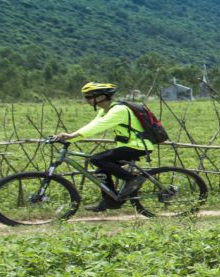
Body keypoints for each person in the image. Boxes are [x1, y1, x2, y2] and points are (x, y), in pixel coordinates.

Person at [51, 82, 153, 212]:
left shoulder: (119, 110)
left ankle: (132, 179)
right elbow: (93, 124)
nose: (86, 100)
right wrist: (70, 138)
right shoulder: (104, 110)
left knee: (97, 159)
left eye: (88, 97)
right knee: (101, 172)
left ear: (100, 97)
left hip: (138, 146)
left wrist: (72, 135)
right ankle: (111, 202)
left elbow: (100, 125)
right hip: (127, 146)